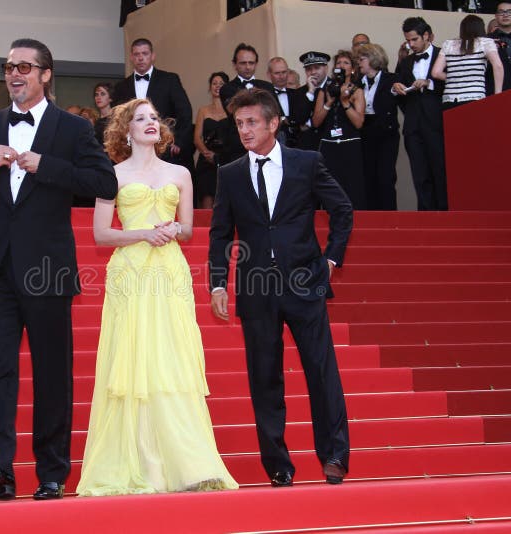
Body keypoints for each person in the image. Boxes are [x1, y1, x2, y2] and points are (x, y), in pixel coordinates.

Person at [0, 38, 117, 501]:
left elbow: (104, 181)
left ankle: (52, 473)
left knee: (52, 372)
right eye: (8, 66)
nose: (14, 73)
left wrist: (47, 166)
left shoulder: (72, 130)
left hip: (48, 268)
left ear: (45, 74)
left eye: (24, 66)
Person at [77, 98, 238, 496]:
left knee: (171, 357)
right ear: (125, 130)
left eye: (154, 118)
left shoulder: (181, 173)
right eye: (140, 118)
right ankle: (138, 462)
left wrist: (171, 229)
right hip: (130, 273)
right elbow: (101, 234)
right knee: (133, 360)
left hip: (168, 270)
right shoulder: (108, 173)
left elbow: (188, 229)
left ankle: (189, 463)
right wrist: (144, 233)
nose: (150, 123)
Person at [209, 88, 352, 488]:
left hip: (305, 282)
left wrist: (331, 259)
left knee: (322, 372)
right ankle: (277, 464)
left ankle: (335, 455)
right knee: (264, 378)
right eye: (239, 123)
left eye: (252, 122)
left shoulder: (307, 163)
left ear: (273, 123)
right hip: (256, 288)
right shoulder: (231, 173)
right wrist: (218, 282)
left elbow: (341, 209)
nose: (245, 130)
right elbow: (220, 233)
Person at [112, 38, 193, 171]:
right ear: (131, 57)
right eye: (137, 54)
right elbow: (118, 119)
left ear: (152, 56)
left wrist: (178, 141)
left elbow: (185, 111)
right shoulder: (121, 87)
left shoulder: (169, 80)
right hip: (132, 150)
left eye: (145, 53)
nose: (141, 58)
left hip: (164, 148)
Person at [393, 16, 447, 210]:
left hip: (438, 124)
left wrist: (430, 83)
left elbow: (452, 86)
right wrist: (396, 87)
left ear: (427, 36)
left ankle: (445, 216)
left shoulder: (444, 54)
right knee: (420, 174)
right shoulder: (405, 62)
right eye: (408, 40)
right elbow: (399, 95)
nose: (410, 44)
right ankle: (426, 218)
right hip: (413, 127)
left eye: (414, 39)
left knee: (441, 172)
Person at [312, 50, 367, 210]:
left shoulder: (357, 91)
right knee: (329, 186)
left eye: (346, 63)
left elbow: (359, 122)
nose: (341, 66)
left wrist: (345, 102)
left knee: (352, 186)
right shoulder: (325, 90)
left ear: (352, 69)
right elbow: (316, 121)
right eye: (338, 63)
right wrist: (329, 103)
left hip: (350, 145)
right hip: (329, 145)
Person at [357, 44, 400, 210]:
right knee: (368, 177)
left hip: (385, 132)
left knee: (386, 177)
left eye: (362, 59)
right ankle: (371, 219)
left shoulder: (392, 79)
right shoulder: (356, 83)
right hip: (364, 131)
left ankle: (390, 219)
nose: (359, 63)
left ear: (373, 59)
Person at [431, 14, 504, 108]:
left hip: (449, 99)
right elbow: (498, 66)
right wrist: (498, 95)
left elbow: (436, 73)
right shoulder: (485, 42)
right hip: (474, 96)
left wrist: (456, 77)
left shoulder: (448, 44)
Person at [193, 72, 229, 209]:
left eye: (221, 84)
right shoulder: (203, 110)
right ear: (210, 87)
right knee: (206, 199)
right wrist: (207, 153)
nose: (217, 86)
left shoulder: (231, 110)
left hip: (226, 158)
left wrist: (219, 157)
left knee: (224, 200)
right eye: (214, 83)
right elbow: (197, 137)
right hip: (206, 160)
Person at [267, 57, 307, 148]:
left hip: (299, 143)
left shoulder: (297, 93)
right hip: (276, 144)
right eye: (277, 73)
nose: (281, 76)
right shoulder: (266, 96)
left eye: (284, 72)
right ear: (269, 75)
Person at [296, 51, 331, 152]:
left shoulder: (334, 88)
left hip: (329, 141)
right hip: (308, 146)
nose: (313, 72)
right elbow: (298, 119)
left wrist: (309, 123)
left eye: (317, 68)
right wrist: (310, 92)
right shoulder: (300, 92)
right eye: (308, 69)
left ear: (326, 68)